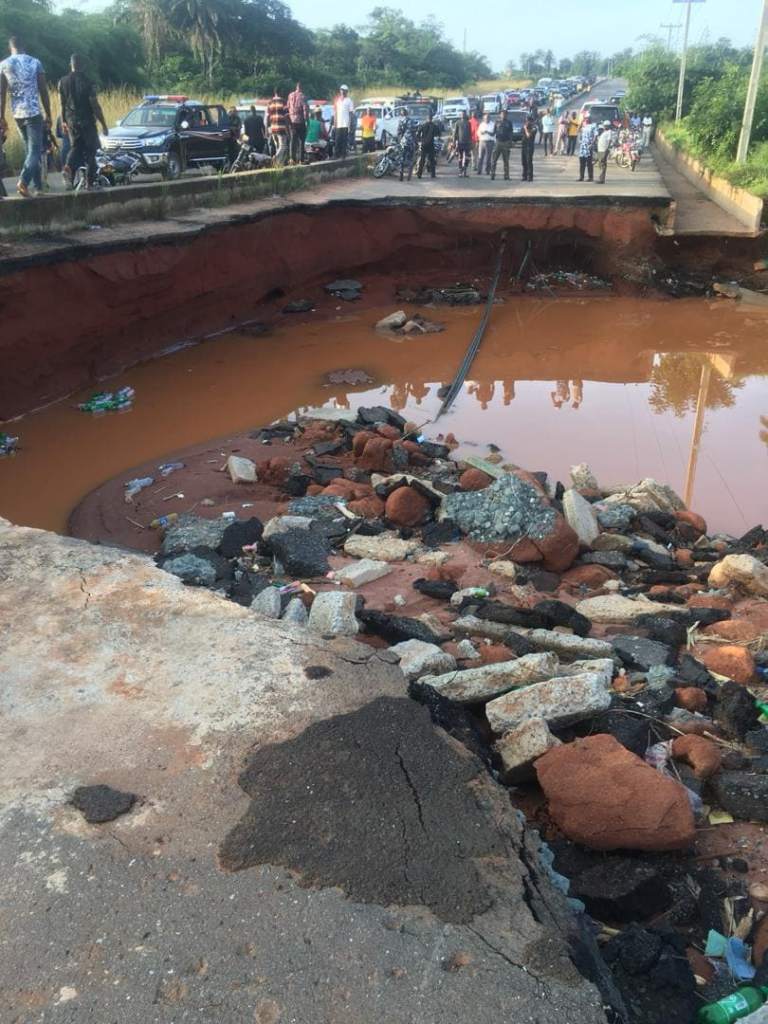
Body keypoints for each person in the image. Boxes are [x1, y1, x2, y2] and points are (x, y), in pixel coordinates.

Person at [0, 35, 52, 197]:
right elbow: (43, 90)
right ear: (24, 46)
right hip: (34, 112)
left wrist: (1, 116)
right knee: (35, 150)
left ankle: (38, 187)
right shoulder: (35, 62)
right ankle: (23, 181)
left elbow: (1, 93)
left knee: (30, 150)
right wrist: (49, 114)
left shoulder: (4, 64)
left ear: (10, 48)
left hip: (17, 114)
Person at [59, 53, 107, 190]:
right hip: (87, 122)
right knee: (91, 152)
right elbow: (94, 105)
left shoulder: (62, 81)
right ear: (83, 66)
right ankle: (89, 183)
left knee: (76, 147)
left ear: (71, 64)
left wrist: (63, 121)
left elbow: (62, 103)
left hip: (71, 121)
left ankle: (68, 168)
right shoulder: (88, 82)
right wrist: (103, 124)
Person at [287, 81, 308, 164]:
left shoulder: (290, 95)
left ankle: (292, 159)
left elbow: (288, 106)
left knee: (292, 140)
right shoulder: (303, 96)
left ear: (296, 87)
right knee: (301, 140)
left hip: (292, 121)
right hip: (300, 121)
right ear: (302, 88)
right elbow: (305, 109)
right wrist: (307, 120)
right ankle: (301, 159)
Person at [267, 88, 288, 165]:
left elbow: (267, 116)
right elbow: (286, 115)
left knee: (277, 146)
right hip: (281, 127)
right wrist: (288, 126)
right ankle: (276, 157)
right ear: (280, 92)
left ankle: (278, 164)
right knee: (283, 146)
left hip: (273, 127)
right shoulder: (283, 101)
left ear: (274, 92)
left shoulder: (270, 102)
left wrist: (267, 128)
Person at [491, 109, 513, 181]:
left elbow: (511, 133)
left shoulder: (509, 123)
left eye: (505, 114)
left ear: (507, 115)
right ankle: (492, 174)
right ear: (500, 115)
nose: (503, 115)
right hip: (498, 142)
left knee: (506, 161)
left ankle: (506, 176)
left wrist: (510, 142)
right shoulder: (497, 122)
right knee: (494, 159)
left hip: (506, 143)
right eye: (502, 114)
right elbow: (493, 132)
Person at [415, 111, 438, 179]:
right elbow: (438, 134)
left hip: (424, 144)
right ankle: (433, 174)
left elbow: (417, 134)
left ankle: (419, 174)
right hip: (430, 144)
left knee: (422, 160)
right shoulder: (434, 126)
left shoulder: (423, 125)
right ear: (432, 118)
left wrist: (419, 141)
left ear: (427, 118)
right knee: (432, 160)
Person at [333, 84, 354, 158]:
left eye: (344, 91)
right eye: (341, 90)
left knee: (344, 140)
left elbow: (351, 114)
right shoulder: (337, 100)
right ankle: (336, 154)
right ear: (340, 91)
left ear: (346, 92)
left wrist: (350, 124)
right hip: (339, 123)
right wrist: (335, 122)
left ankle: (343, 154)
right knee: (337, 139)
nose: (342, 92)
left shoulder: (349, 101)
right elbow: (335, 112)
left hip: (345, 123)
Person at [453, 110, 472, 177]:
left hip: (467, 143)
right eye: (462, 114)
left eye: (464, 114)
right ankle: (460, 171)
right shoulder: (457, 123)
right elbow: (455, 133)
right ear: (460, 115)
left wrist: (471, 141)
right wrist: (454, 142)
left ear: (465, 115)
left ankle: (465, 171)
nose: (463, 115)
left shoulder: (468, 123)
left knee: (467, 157)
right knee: (460, 157)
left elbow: (470, 133)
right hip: (460, 142)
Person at [578, 116, 597, 181]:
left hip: (589, 146)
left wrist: (592, 144)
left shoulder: (593, 126)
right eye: (585, 119)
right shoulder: (584, 126)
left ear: (590, 119)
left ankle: (590, 177)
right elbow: (578, 130)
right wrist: (581, 122)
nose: (586, 120)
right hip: (582, 146)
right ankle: (581, 177)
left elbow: (595, 135)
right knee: (582, 162)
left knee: (589, 163)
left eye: (587, 119)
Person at [521, 115, 536, 181]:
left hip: (530, 146)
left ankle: (530, 176)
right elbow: (522, 135)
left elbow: (528, 135)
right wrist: (524, 128)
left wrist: (526, 129)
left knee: (529, 161)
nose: (527, 122)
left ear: (531, 121)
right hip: (524, 146)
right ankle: (524, 176)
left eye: (528, 121)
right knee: (523, 162)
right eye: (526, 121)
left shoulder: (534, 128)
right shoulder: (524, 126)